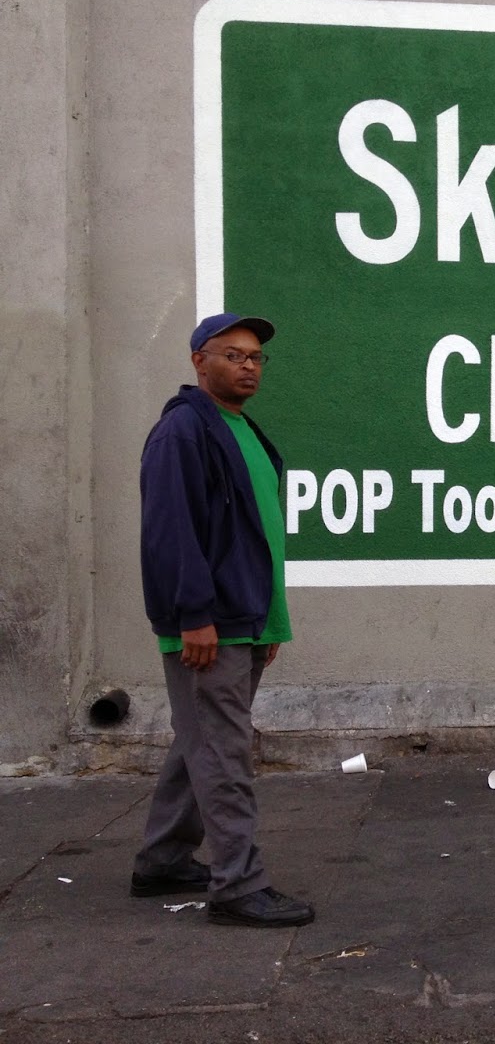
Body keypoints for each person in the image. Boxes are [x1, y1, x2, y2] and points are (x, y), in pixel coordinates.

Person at [131, 312, 315, 926]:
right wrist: (194, 616)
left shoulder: (240, 429)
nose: (248, 366)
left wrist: (265, 620)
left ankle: (162, 859)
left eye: (256, 357)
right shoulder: (183, 431)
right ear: (199, 361)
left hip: (244, 618)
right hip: (209, 625)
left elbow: (250, 532)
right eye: (233, 355)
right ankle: (238, 886)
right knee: (223, 755)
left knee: (201, 743)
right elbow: (170, 531)